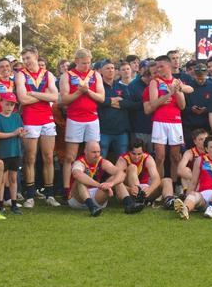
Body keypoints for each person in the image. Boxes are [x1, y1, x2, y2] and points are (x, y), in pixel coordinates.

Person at [15, 46, 60, 208]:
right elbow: (22, 99)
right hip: (30, 119)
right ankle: (30, 195)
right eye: (24, 59)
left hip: (47, 119)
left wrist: (33, 93)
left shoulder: (48, 74)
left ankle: (49, 194)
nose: (26, 61)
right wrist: (43, 96)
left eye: (28, 57)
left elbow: (55, 96)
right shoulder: (21, 75)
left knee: (48, 157)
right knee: (30, 158)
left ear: (36, 56)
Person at [60, 48, 105, 191]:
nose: (87, 66)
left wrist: (88, 91)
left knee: (94, 154)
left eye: (89, 63)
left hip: (92, 118)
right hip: (75, 118)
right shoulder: (67, 76)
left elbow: (101, 98)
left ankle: (93, 186)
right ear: (77, 61)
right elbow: (65, 99)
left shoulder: (95, 75)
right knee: (70, 156)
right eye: (84, 63)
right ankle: (67, 189)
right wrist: (80, 92)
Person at [68, 141, 141, 216]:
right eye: (93, 152)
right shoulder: (79, 162)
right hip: (77, 200)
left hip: (97, 197)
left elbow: (121, 173)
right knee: (80, 181)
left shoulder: (102, 161)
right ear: (85, 151)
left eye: (98, 152)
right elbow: (77, 174)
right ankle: (92, 207)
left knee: (115, 178)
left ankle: (129, 204)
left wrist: (111, 184)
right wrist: (99, 185)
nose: (97, 155)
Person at [174, 135, 212, 219]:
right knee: (193, 195)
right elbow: (193, 182)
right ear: (206, 149)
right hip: (204, 197)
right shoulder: (200, 160)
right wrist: (187, 198)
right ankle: (185, 209)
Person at [149, 55, 186, 182]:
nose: (158, 69)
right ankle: (158, 186)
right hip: (159, 121)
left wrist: (177, 91)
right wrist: (168, 95)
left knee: (175, 156)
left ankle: (176, 185)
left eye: (161, 66)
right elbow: (153, 104)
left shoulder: (177, 82)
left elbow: (182, 105)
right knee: (159, 156)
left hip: (175, 121)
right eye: (157, 66)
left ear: (169, 66)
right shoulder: (155, 82)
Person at [0, 92, 25, 215]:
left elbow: (20, 131)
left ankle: (14, 204)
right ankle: (0, 204)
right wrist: (13, 133)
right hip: (3, 153)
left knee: (13, 178)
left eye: (12, 105)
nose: (9, 107)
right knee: (2, 179)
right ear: (1, 103)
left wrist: (21, 133)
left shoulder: (16, 117)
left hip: (15, 152)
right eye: (7, 104)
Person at [98, 60, 136, 158]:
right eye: (107, 68)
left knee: (122, 160)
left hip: (121, 131)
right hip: (103, 130)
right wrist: (112, 100)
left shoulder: (121, 86)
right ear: (101, 71)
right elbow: (97, 102)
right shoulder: (98, 87)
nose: (110, 70)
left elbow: (129, 104)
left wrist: (107, 102)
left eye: (112, 68)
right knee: (100, 160)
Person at [115, 140, 163, 209]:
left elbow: (156, 178)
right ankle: (136, 200)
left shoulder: (148, 158)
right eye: (133, 154)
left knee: (167, 181)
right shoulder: (123, 159)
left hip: (144, 190)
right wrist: (129, 189)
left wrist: (150, 189)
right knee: (132, 167)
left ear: (143, 152)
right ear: (129, 152)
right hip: (126, 192)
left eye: (139, 154)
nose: (136, 157)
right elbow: (115, 181)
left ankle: (170, 201)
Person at [182, 63, 212, 148]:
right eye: (198, 78)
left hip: (206, 126)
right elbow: (181, 107)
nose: (200, 80)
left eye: (202, 78)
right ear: (194, 76)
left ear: (206, 75)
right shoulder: (187, 87)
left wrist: (206, 109)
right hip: (190, 126)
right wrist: (191, 109)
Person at [128, 60, 153, 153]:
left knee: (151, 156)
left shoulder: (157, 84)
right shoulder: (133, 85)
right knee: (137, 156)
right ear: (148, 75)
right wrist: (145, 103)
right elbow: (128, 104)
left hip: (154, 127)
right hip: (138, 127)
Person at [177, 128, 207, 195]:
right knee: (185, 170)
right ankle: (187, 193)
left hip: (208, 179)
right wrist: (197, 179)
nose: (204, 141)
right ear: (195, 141)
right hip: (194, 181)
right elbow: (179, 170)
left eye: (206, 138)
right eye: (201, 139)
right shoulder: (190, 152)